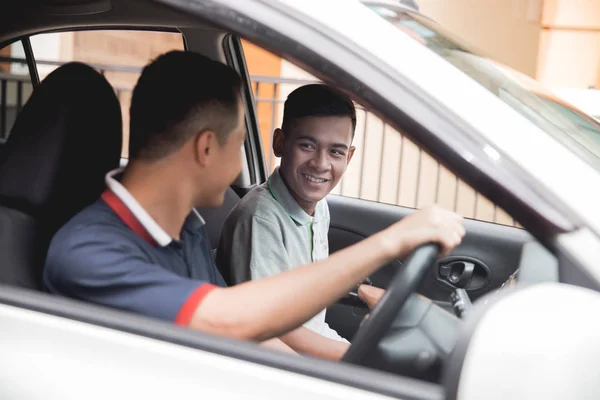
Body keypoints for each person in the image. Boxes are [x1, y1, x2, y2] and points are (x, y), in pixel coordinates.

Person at [43, 50, 465, 354]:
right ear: (208, 149)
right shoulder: (86, 252)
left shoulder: (184, 227)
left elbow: (250, 333)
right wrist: (393, 241)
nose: (241, 166)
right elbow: (228, 319)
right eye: (240, 143)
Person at [216, 84, 385, 360]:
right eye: (307, 145)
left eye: (335, 152)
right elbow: (269, 327)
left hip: (316, 337)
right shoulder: (261, 218)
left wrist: (362, 290)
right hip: (283, 358)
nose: (320, 164)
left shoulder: (319, 209)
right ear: (280, 143)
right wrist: (354, 356)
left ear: (349, 156)